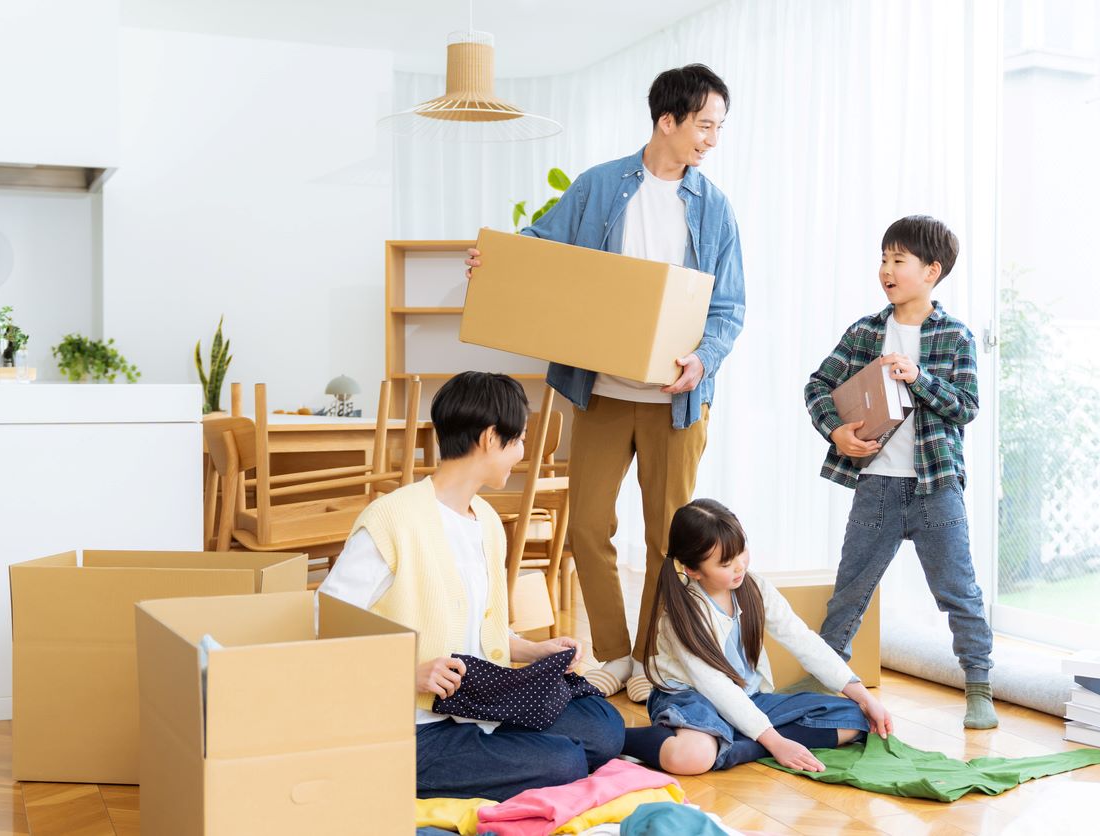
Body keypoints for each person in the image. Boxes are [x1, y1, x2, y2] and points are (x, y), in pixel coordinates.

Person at [464, 64, 746, 702]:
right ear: (666, 120)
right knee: (589, 527)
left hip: (677, 403)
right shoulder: (599, 188)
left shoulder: (714, 208)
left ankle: (650, 659)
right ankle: (615, 654)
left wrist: (704, 358)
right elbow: (540, 247)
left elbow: (728, 308)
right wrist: (497, 260)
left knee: (666, 537)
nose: (711, 138)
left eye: (718, 127)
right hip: (600, 394)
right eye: (703, 125)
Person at [318, 371, 624, 800]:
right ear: (488, 438)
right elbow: (322, 627)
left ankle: (499, 754)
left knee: (604, 729)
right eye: (517, 440)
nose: (521, 452)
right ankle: (397, 771)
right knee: (564, 761)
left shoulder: (487, 521)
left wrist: (532, 650)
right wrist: (407, 674)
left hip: (478, 700)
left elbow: (480, 630)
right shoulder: (392, 520)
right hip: (411, 725)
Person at [803, 215, 998, 729]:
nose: (885, 270)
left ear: (931, 271)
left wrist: (920, 378)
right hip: (877, 484)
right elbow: (818, 386)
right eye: (883, 259)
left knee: (960, 590)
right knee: (851, 589)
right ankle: (827, 681)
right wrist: (836, 432)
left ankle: (979, 687)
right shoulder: (866, 331)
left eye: (898, 260)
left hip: (937, 487)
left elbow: (967, 406)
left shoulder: (955, 336)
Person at [619, 499, 891, 774]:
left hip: (749, 698)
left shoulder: (756, 588)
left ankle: (735, 743)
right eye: (726, 563)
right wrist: (776, 743)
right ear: (693, 570)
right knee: (693, 756)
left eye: (742, 551)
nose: (740, 566)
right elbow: (715, 686)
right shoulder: (681, 617)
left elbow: (802, 640)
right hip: (692, 700)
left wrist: (864, 697)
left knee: (857, 718)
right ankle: (622, 739)